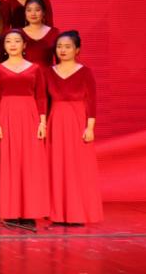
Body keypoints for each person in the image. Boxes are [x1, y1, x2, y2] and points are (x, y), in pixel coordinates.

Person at [0, 30, 51, 227]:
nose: (13, 44)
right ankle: (10, 211)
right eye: (8, 41)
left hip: (30, 117)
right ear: (4, 46)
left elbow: (41, 96)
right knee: (9, 162)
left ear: (24, 45)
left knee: (29, 163)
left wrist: (42, 122)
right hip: (7, 116)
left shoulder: (35, 68)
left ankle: (29, 211)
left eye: (17, 41)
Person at [46, 30, 103, 225]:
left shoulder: (85, 72)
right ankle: (57, 214)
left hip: (78, 123)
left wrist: (90, 128)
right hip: (56, 123)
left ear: (77, 50)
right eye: (59, 47)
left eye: (68, 47)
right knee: (57, 167)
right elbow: (44, 101)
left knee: (78, 168)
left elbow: (92, 102)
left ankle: (77, 213)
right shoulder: (49, 72)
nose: (62, 50)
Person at [20, 0, 59, 67]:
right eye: (29, 10)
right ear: (25, 13)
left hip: (48, 73)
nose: (33, 14)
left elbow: (60, 61)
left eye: (37, 10)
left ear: (43, 12)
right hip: (24, 73)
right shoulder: (18, 33)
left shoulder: (54, 32)